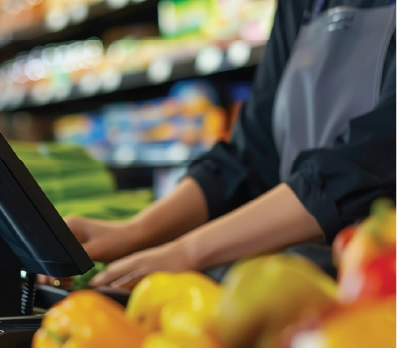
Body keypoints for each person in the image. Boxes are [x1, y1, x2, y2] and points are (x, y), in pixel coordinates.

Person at [65, 0, 397, 289]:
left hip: (379, 281)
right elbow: (250, 155)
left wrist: (185, 252)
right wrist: (136, 231)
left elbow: (371, 159)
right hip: (297, 281)